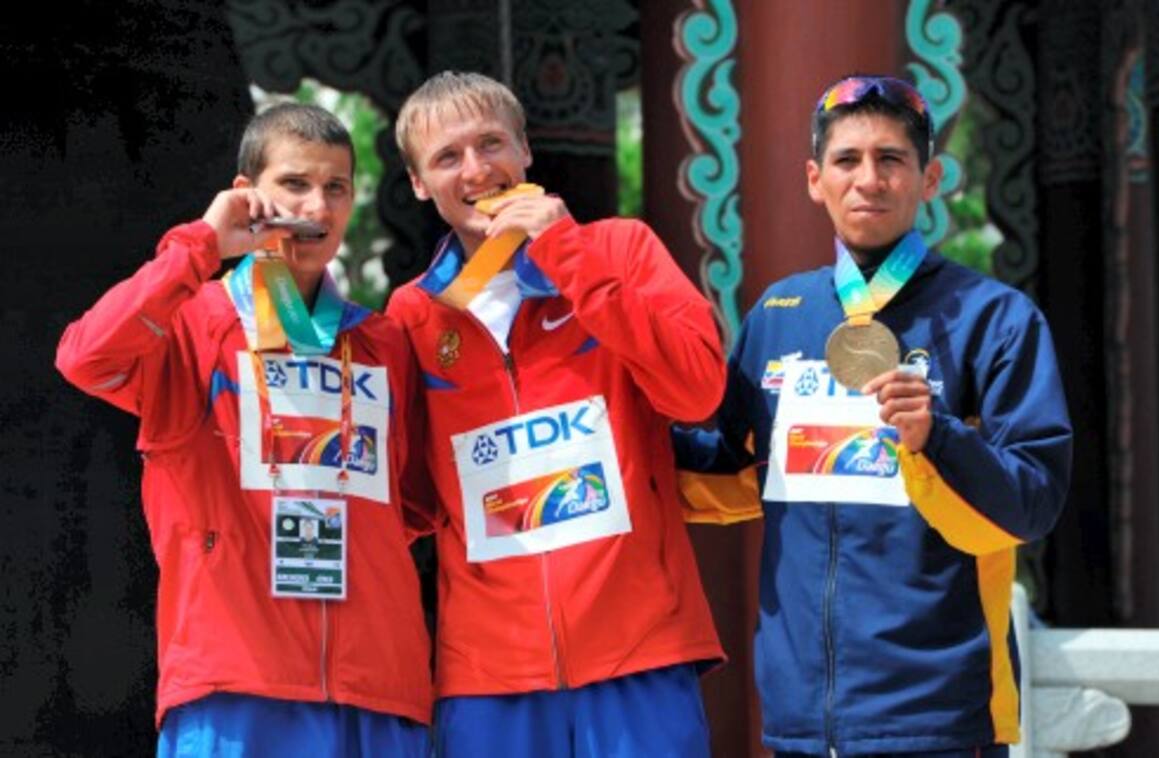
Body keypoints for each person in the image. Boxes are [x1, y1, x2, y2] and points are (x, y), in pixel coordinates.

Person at [673, 75, 1073, 757]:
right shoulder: (778, 314)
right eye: (847, 160)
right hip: (801, 716)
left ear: (930, 179)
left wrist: (936, 436)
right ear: (813, 179)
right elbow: (725, 468)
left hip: (940, 715)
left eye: (892, 159)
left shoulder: (995, 320)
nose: (869, 179)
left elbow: (1031, 505)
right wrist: (620, 423)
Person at [56, 103, 432, 757]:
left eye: (335, 187)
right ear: (246, 195)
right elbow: (87, 358)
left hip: (377, 689)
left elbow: (419, 501)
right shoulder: (192, 325)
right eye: (294, 183)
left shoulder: (385, 343)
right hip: (233, 683)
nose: (315, 206)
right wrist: (200, 244)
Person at [385, 70, 726, 757]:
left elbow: (696, 392)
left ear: (526, 152)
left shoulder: (620, 250)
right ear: (420, 184)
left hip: (639, 650)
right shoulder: (413, 316)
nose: (477, 170)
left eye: (491, 144)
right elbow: (410, 499)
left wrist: (568, 254)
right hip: (488, 674)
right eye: (448, 158)